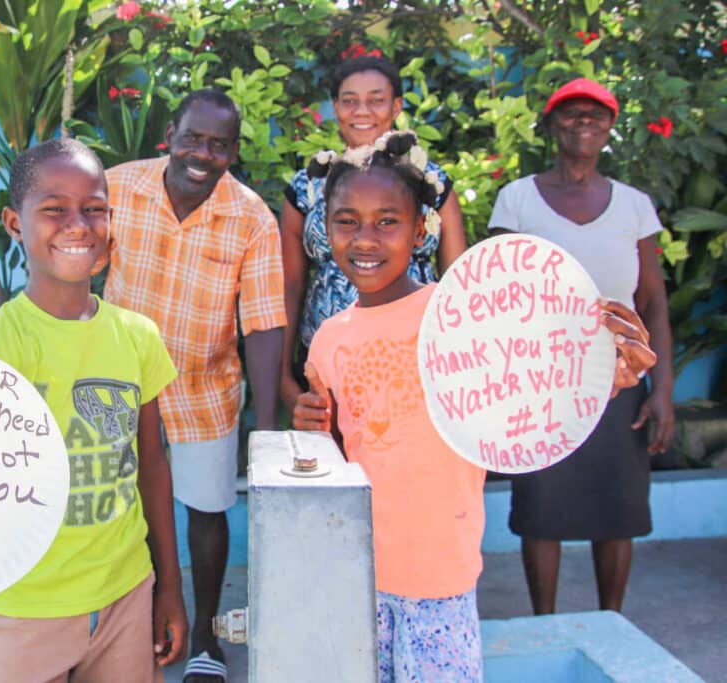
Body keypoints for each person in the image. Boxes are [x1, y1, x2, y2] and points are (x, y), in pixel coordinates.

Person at [292, 130, 659, 681]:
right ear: (326, 228)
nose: (365, 238)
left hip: (441, 580)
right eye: (347, 221)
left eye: (387, 221)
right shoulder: (328, 339)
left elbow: (538, 378)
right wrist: (312, 427)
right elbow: (345, 454)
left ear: (420, 230)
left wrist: (607, 370)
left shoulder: (462, 315)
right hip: (356, 575)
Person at [0, 138, 189, 682]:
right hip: (28, 607)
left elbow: (152, 467)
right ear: (14, 224)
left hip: (126, 596)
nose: (78, 224)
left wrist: (170, 586)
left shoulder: (137, 338)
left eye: (94, 208)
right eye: (53, 209)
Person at [101, 89, 286, 681]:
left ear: (233, 151)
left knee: (207, 512)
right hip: (120, 392)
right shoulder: (116, 188)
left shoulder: (253, 217)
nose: (202, 154)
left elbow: (262, 323)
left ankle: (205, 635)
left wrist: (266, 429)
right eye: (192, 138)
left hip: (205, 390)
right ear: (169, 136)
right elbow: (72, 258)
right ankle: (130, 630)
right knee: (121, 513)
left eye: (219, 144)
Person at [488, 78, 675, 615]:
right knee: (541, 509)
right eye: (570, 114)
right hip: (542, 383)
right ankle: (543, 624)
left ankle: (609, 623)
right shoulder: (518, 199)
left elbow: (654, 304)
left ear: (610, 128)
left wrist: (661, 389)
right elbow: (497, 292)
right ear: (551, 126)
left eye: (596, 114)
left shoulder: (634, 207)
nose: (583, 122)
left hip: (619, 382)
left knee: (617, 510)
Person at [279, 55, 468, 416]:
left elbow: (458, 282)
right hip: (327, 360)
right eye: (349, 100)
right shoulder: (307, 187)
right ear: (335, 107)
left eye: (376, 99)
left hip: (417, 352)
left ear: (396, 106)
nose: (361, 110)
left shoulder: (432, 184)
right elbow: (291, 286)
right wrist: (284, 377)